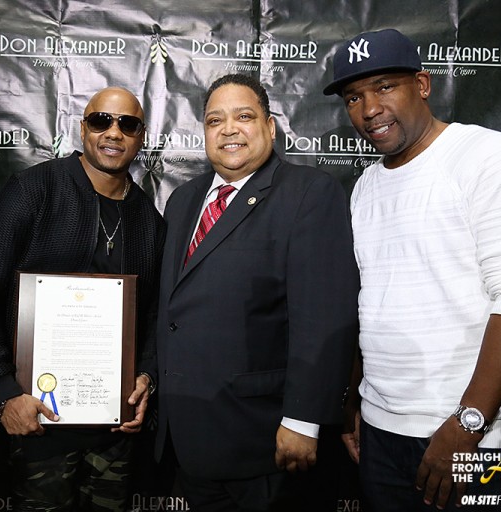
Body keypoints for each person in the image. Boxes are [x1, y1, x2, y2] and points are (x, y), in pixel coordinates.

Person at [324, 28, 501, 511]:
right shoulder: (366, 187)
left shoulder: (487, 157)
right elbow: (367, 305)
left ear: (422, 84)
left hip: (477, 442)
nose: (369, 109)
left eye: (384, 87)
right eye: (354, 97)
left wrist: (467, 424)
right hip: (381, 434)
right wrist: (355, 401)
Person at [149, 73, 359, 511]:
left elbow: (324, 318)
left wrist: (303, 419)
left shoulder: (308, 193)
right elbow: (172, 309)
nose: (229, 129)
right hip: (190, 442)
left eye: (243, 116)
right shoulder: (183, 200)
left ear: (270, 126)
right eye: (215, 120)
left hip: (265, 444)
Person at [0, 86, 165, 511]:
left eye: (128, 124)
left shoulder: (148, 219)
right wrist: (4, 391)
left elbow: (153, 313)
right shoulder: (34, 190)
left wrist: (146, 375)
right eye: (101, 121)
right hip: (37, 423)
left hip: (115, 433)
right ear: (83, 127)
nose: (114, 133)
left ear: (141, 137)